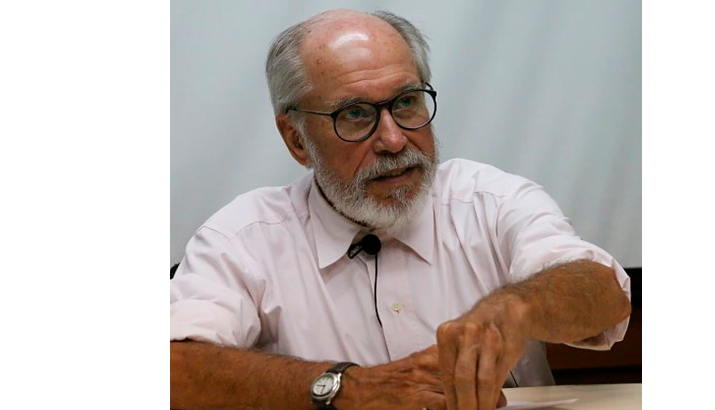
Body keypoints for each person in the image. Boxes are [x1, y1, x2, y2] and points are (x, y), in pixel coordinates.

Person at [170, 8, 632, 410]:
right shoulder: (244, 237)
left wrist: (516, 307)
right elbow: (172, 370)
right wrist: (345, 389)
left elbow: (604, 294)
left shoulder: (491, 200)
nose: (393, 140)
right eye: (355, 114)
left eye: (407, 103)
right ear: (297, 140)